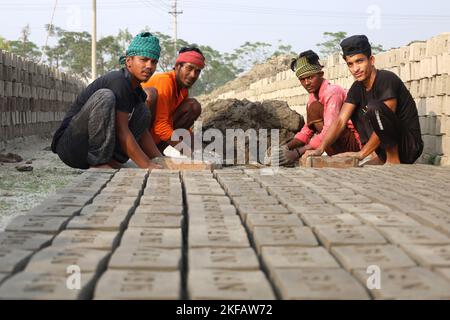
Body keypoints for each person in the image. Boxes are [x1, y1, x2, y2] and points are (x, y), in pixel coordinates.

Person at [303, 35, 423, 164]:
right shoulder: (357, 88)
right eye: (350, 64)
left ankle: (392, 159)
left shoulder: (387, 79)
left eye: (360, 61)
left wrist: (361, 154)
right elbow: (340, 120)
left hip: (408, 146)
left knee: (375, 108)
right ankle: (379, 156)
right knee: (353, 109)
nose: (355, 69)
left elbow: (385, 117)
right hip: (382, 148)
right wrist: (320, 149)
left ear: (371, 60)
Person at [51, 32, 163, 169]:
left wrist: (160, 160)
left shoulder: (137, 91)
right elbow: (122, 130)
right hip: (72, 148)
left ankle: (111, 160)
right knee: (105, 96)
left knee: (143, 111)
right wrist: (146, 165)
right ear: (129, 61)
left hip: (93, 152)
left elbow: (143, 133)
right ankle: (99, 162)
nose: (149, 66)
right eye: (144, 59)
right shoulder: (118, 81)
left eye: (154, 62)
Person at [270, 50, 361, 167]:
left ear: (321, 74)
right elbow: (308, 129)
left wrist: (298, 152)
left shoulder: (332, 92)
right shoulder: (313, 96)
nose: (307, 83)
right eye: (302, 79)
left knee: (314, 108)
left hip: (353, 144)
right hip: (333, 143)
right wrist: (286, 147)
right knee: (313, 108)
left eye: (310, 77)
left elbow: (330, 128)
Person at [141, 46, 206, 154]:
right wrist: (187, 152)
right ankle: (146, 151)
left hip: (156, 136)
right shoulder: (164, 81)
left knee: (193, 106)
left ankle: (156, 151)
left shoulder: (183, 90)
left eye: (197, 71)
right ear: (177, 66)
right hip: (139, 135)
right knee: (150, 95)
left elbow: (180, 126)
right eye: (189, 68)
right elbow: (160, 126)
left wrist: (200, 150)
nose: (193, 75)